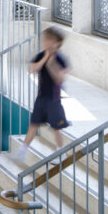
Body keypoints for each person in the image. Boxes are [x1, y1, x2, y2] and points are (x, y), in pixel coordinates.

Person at [16, 27, 71, 161]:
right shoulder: (41, 55)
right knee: (34, 124)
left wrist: (51, 63)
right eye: (45, 39)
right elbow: (31, 69)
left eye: (49, 39)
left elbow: (60, 79)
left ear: (57, 43)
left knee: (56, 127)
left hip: (54, 98)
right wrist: (45, 58)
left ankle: (60, 152)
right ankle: (23, 150)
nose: (45, 42)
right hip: (41, 97)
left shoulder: (60, 59)